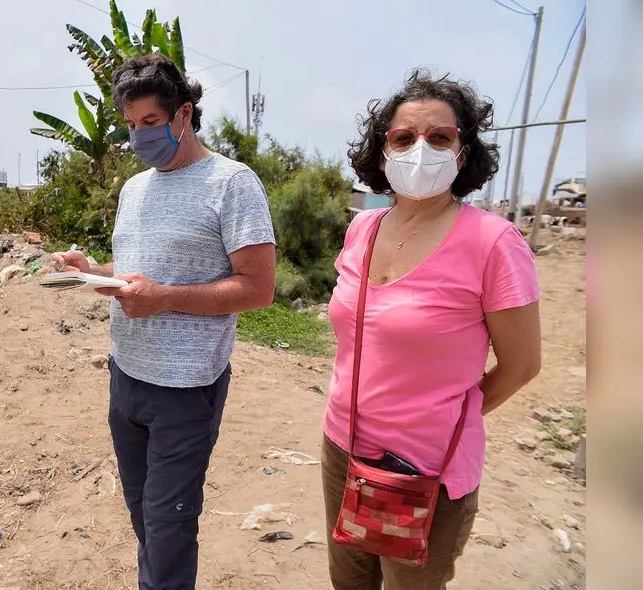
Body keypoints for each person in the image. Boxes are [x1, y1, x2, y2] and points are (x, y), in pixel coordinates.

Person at [51, 53, 276, 589]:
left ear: (183, 114)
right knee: (145, 517)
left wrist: (165, 298)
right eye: (130, 126)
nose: (139, 136)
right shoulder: (135, 189)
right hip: (125, 376)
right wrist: (93, 272)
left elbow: (258, 288)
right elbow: (138, 275)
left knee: (169, 527)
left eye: (150, 122)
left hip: (184, 388)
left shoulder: (231, 183)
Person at [320, 70, 542, 589]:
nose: (421, 148)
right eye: (403, 137)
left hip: (426, 469)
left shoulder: (493, 242)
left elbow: (523, 364)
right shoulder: (363, 228)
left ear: (463, 153)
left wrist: (449, 414)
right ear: (382, 151)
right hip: (341, 444)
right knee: (348, 582)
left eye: (439, 137)